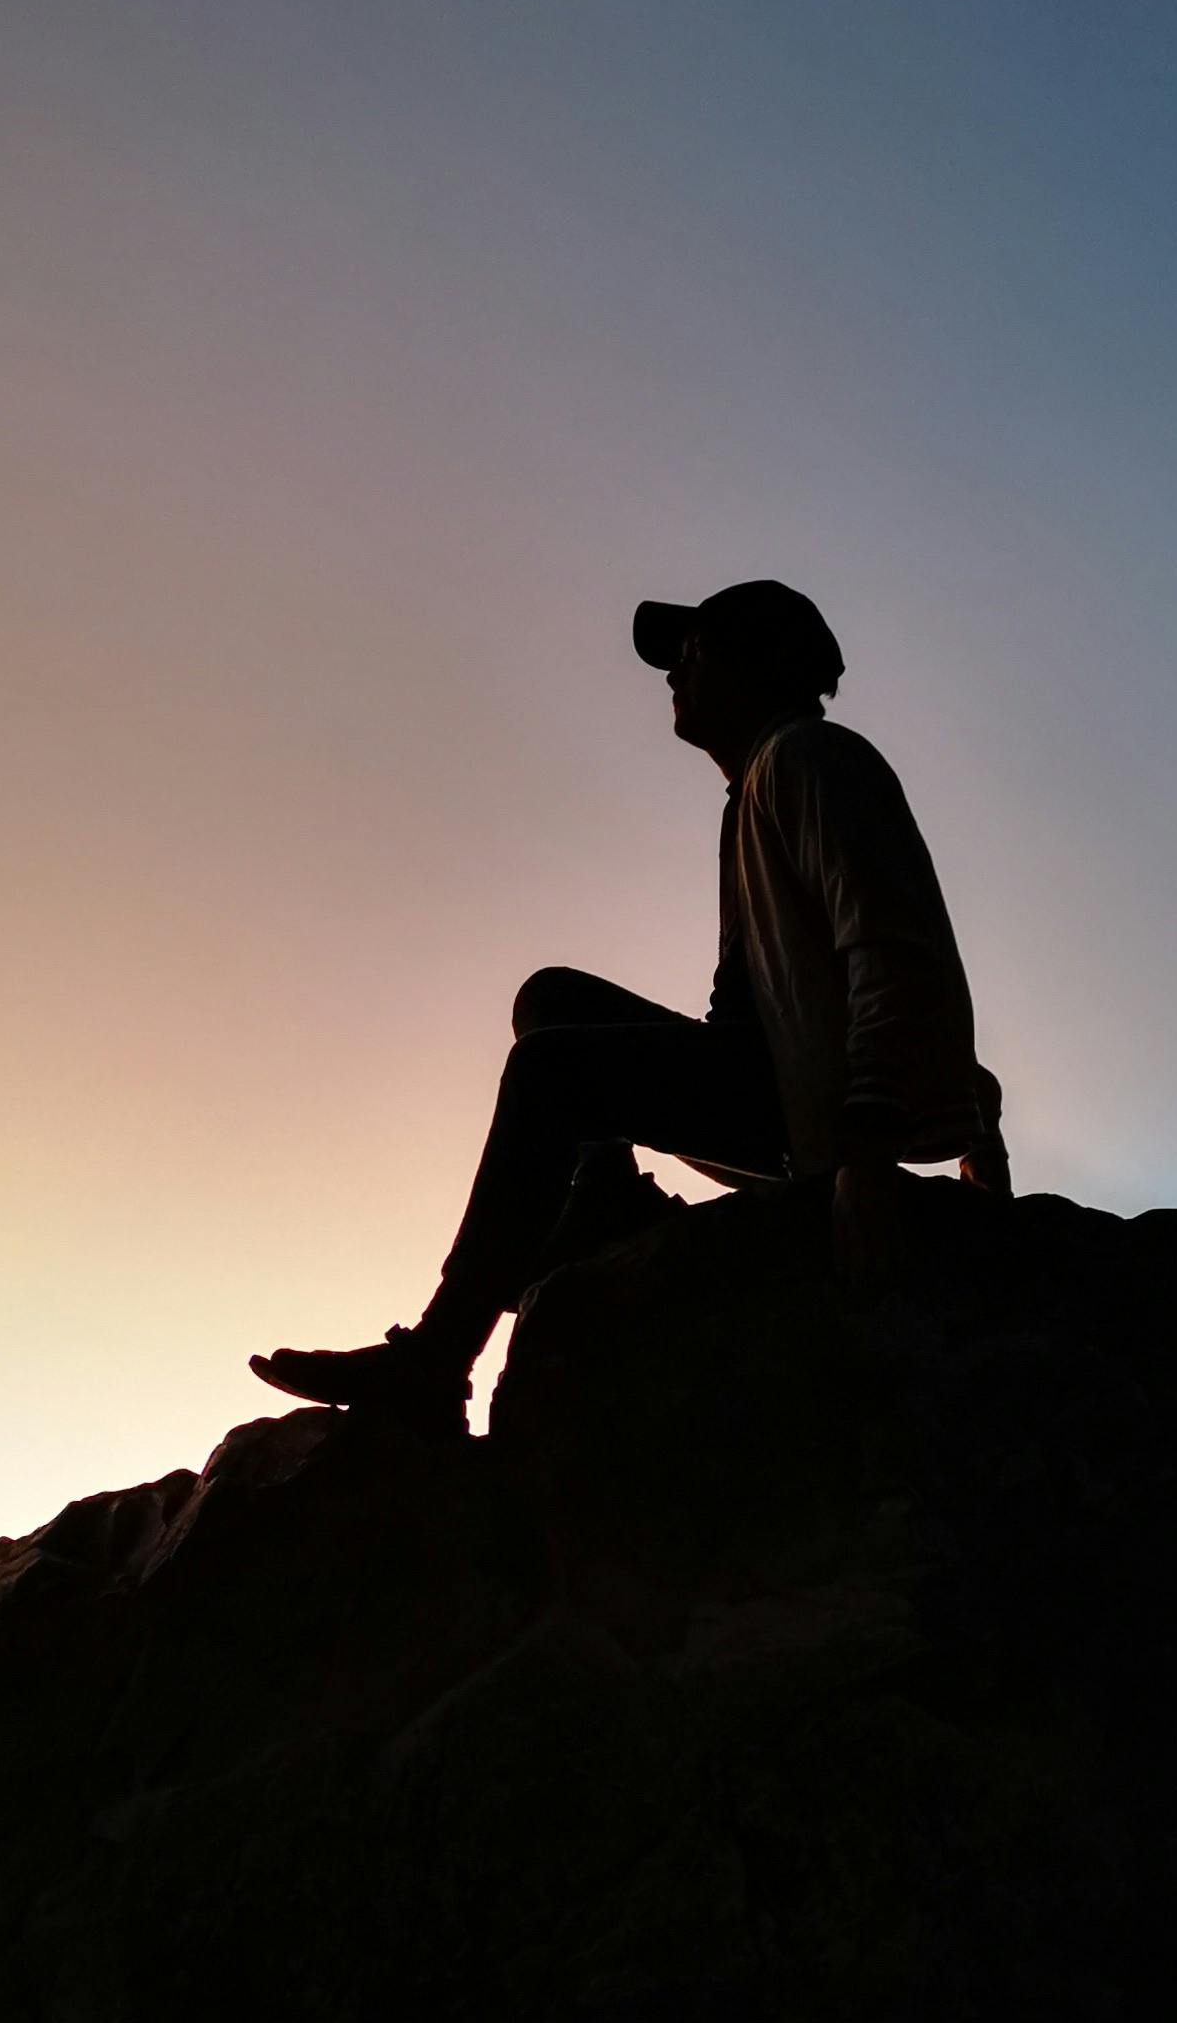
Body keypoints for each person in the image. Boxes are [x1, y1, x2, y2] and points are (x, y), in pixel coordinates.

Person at [250, 579, 1006, 1432]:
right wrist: (978, 1113)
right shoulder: (757, 788)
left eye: (697, 649)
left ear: (759, 664)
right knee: (553, 998)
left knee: (553, 1069)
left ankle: (436, 1358)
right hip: (769, 1089)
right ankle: (605, 1204)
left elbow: (893, 946)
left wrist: (873, 1153)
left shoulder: (810, 758)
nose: (674, 671)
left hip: (815, 1121)